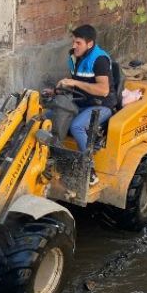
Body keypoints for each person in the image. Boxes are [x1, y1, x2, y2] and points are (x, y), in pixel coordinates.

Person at [53, 24, 116, 186]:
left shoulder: (99, 60)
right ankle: (52, 159)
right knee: (48, 116)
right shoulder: (75, 57)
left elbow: (103, 90)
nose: (74, 46)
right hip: (80, 102)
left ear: (90, 44)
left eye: (78, 43)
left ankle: (90, 172)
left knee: (77, 127)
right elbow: (78, 83)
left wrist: (73, 82)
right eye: (73, 42)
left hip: (101, 105)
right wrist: (55, 91)